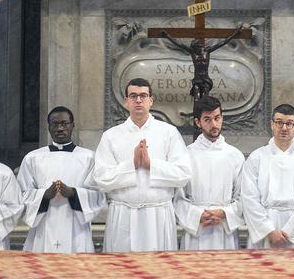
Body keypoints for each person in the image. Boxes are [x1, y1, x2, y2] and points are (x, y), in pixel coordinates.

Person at [92, 78, 191, 251]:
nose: (138, 100)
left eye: (143, 96)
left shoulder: (168, 132)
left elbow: (183, 174)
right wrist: (132, 165)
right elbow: (101, 179)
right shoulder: (111, 136)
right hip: (123, 216)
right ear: (126, 101)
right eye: (133, 96)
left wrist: (150, 164)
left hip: (158, 215)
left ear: (151, 100)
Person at [17, 106, 105, 252]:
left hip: (77, 228)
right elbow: (20, 194)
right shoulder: (33, 158)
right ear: (49, 127)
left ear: (72, 125)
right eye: (55, 124)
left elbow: (99, 195)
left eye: (64, 124)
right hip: (43, 228)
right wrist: (43, 195)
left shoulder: (89, 157)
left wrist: (73, 193)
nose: (60, 128)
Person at [241, 103, 294, 249]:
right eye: (279, 123)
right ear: (272, 124)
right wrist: (268, 230)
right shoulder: (256, 157)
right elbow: (249, 198)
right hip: (266, 228)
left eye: (289, 124)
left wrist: (290, 231)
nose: (284, 128)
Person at [173, 95, 245, 249]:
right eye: (207, 119)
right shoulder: (186, 155)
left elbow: (243, 197)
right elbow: (178, 198)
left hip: (224, 230)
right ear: (198, 122)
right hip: (197, 230)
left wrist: (224, 213)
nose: (214, 124)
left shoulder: (235, 155)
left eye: (217, 118)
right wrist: (198, 215)